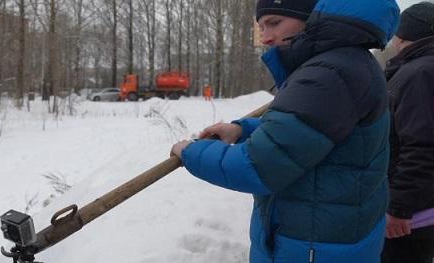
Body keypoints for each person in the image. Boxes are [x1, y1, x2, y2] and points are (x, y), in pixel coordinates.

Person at [171, 0, 399, 262]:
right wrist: (241, 130)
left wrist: (189, 151)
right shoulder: (345, 62)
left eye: (275, 23)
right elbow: (316, 132)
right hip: (334, 233)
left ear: (310, 17)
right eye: (261, 27)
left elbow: (256, 167)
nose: (266, 38)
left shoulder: (328, 75)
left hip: (312, 246)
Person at [382, 2, 434, 263]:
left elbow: (423, 146)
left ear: (402, 36)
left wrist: (399, 208)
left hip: (412, 216)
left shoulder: (419, 74)